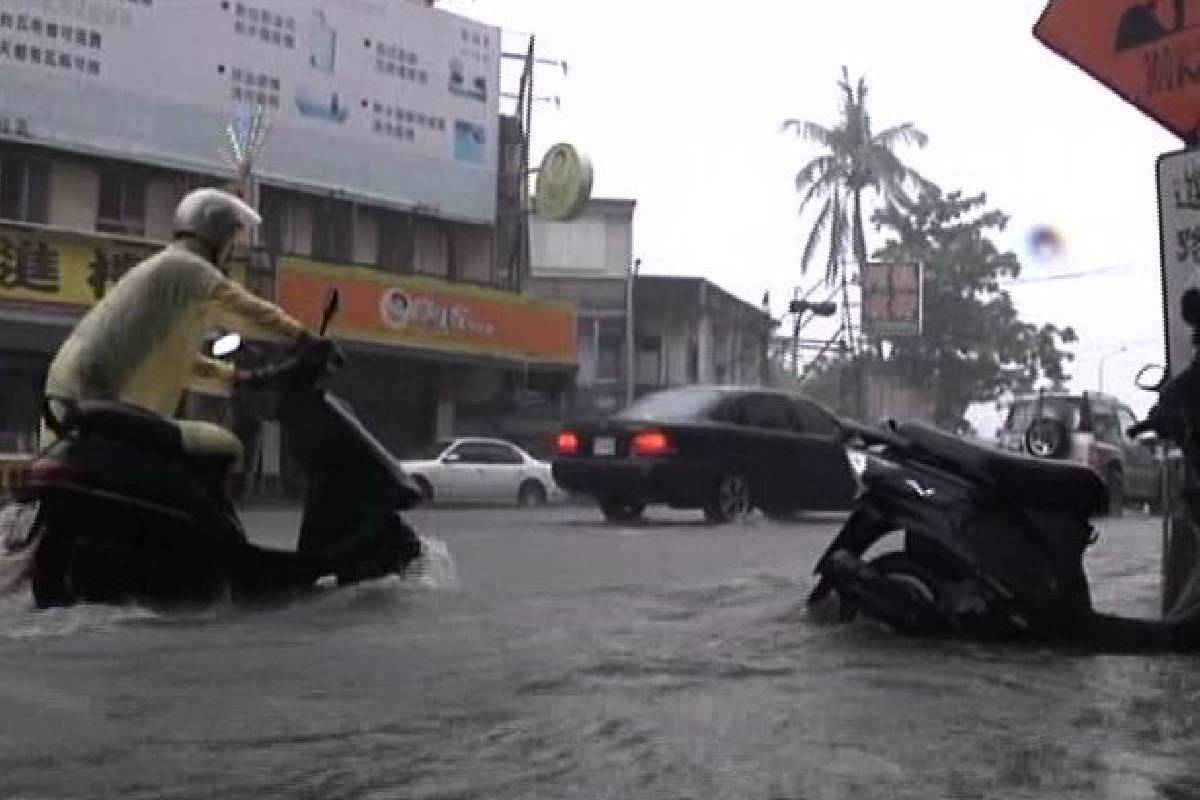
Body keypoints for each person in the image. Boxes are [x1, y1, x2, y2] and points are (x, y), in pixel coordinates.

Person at [41, 187, 315, 460]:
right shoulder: (186, 268)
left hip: (75, 405)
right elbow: (245, 309)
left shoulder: (171, 279)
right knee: (223, 446)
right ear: (215, 235)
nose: (230, 252)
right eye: (231, 240)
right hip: (96, 403)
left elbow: (177, 362)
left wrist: (240, 379)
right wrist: (303, 336)